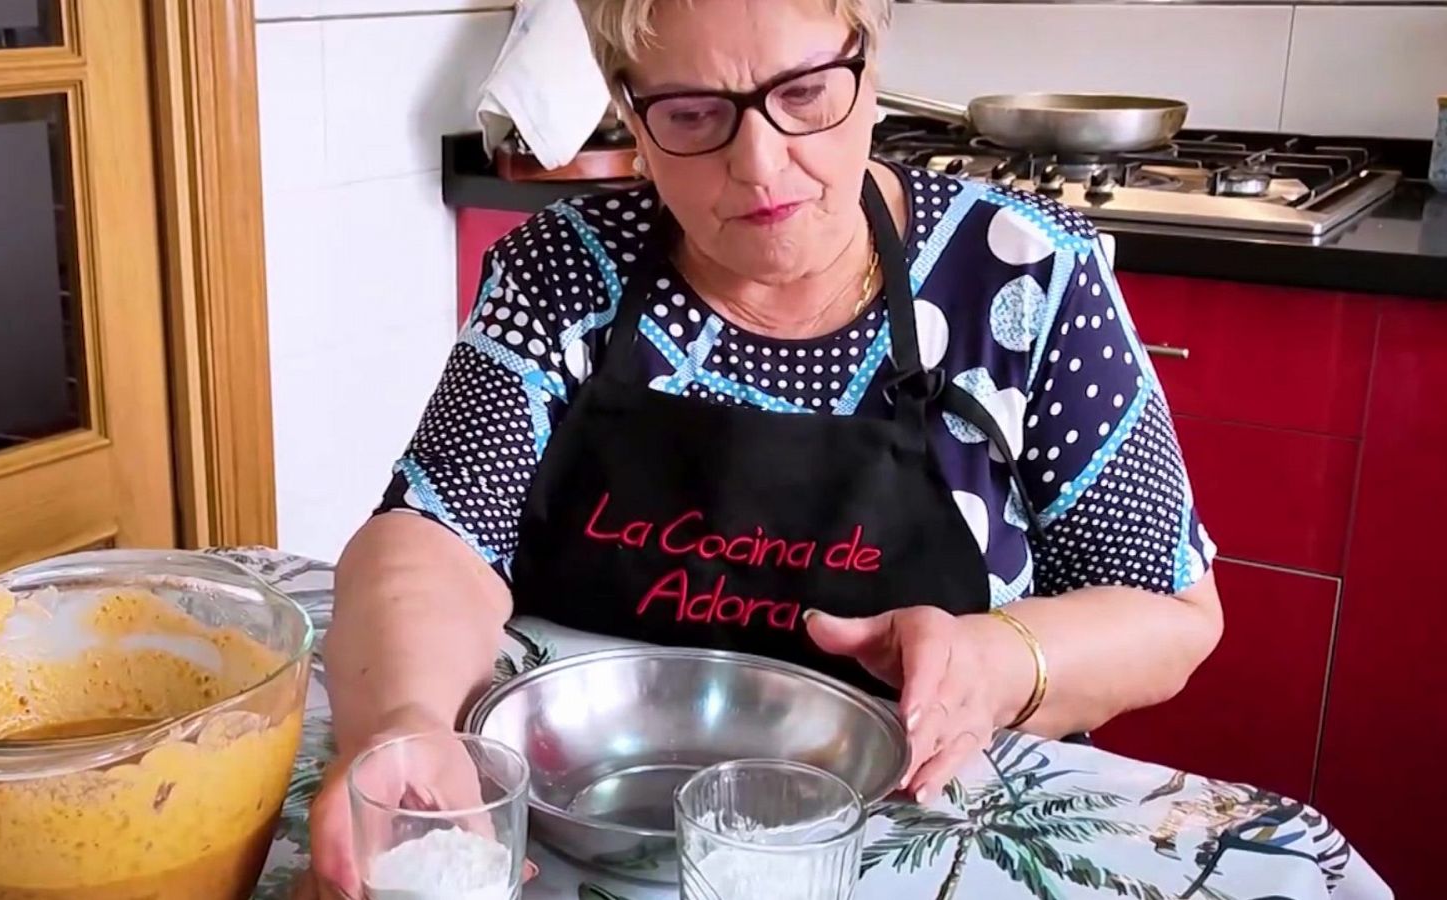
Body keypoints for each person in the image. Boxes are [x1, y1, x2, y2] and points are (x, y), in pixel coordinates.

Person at [301, 0, 1223, 895]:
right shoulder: (562, 272)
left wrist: (997, 660)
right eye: (693, 113)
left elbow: (1172, 614)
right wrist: (407, 726)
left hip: (923, 846)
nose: (760, 163)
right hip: (584, 850)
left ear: (870, 62)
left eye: (808, 93)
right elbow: (430, 541)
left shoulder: (1024, 274)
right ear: (631, 110)